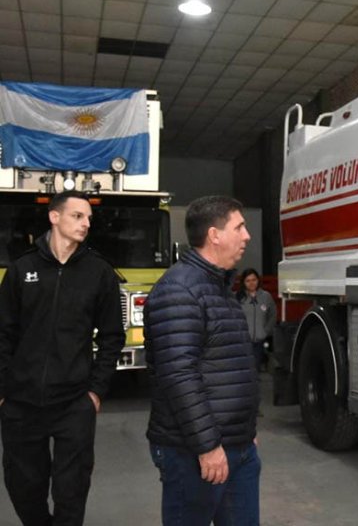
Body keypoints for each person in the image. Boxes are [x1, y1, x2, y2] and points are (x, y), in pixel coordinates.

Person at [0, 190, 125, 525]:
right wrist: (4, 389)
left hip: (73, 402)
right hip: (21, 402)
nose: (86, 224)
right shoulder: (21, 269)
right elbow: (3, 333)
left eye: (88, 219)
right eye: (77, 216)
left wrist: (95, 391)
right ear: (54, 217)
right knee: (23, 484)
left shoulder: (99, 273)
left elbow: (113, 336)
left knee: (72, 489)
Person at [144, 196, 260, 525]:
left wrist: (244, 430)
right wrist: (208, 446)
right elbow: (179, 376)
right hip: (194, 452)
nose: (247, 235)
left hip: (236, 446)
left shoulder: (219, 288)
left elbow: (227, 367)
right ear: (214, 235)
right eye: (239, 227)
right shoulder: (179, 290)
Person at [237, 268, 276, 373]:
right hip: (243, 341)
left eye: (254, 280)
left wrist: (266, 331)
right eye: (248, 281)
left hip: (259, 342)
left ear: (258, 280)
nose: (251, 283)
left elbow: (272, 315)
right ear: (243, 282)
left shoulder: (266, 297)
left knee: (255, 370)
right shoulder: (238, 298)